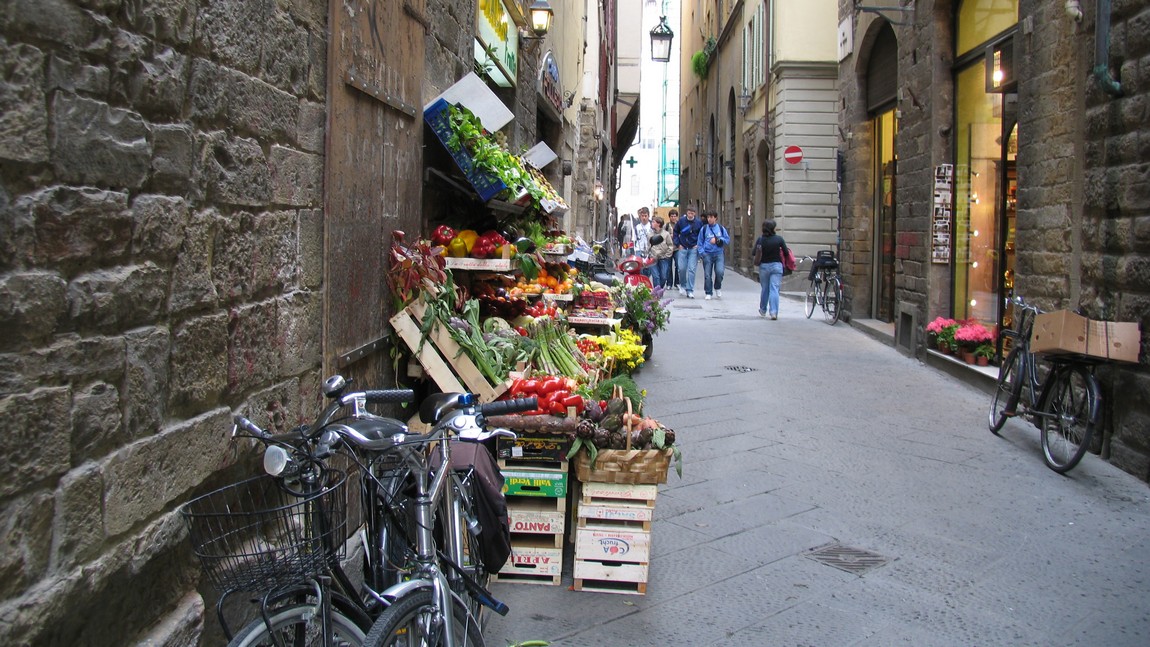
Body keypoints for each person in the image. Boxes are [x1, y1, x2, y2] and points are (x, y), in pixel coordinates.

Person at [753, 219, 787, 319]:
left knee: (765, 289)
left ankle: (763, 310)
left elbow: (754, 252)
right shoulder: (779, 239)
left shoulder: (760, 240)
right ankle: (773, 312)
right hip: (777, 266)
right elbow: (786, 252)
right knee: (774, 289)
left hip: (764, 267)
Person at [696, 210, 729, 300]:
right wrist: (702, 253)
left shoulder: (721, 228)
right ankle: (708, 292)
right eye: (708, 217)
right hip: (707, 254)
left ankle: (717, 287)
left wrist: (719, 239)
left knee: (720, 272)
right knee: (707, 274)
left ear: (715, 218)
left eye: (711, 217)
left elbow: (727, 239)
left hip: (719, 254)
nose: (709, 219)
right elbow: (700, 242)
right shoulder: (704, 229)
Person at [673, 206, 703, 298]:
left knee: (692, 269)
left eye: (692, 213)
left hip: (693, 248)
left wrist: (698, 244)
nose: (690, 215)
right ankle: (683, 285)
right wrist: (678, 244)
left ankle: (690, 290)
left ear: (695, 213)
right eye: (689, 213)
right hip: (683, 248)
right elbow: (675, 232)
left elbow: (701, 234)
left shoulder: (698, 223)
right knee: (681, 268)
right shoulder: (681, 221)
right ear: (687, 213)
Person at [648, 215, 674, 288]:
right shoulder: (650, 234)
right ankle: (657, 292)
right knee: (656, 276)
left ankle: (660, 288)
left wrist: (667, 255)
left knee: (664, 276)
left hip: (664, 258)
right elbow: (648, 246)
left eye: (653, 222)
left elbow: (670, 245)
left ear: (658, 224)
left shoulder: (666, 234)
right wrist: (648, 254)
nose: (651, 223)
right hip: (653, 258)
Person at [666, 209, 680, 289]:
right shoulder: (666, 225)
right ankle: (669, 283)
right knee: (668, 266)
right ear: (669, 217)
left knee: (678, 265)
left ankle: (677, 282)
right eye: (672, 216)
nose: (673, 218)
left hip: (677, 248)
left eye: (675, 216)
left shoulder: (679, 225)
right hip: (668, 248)